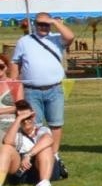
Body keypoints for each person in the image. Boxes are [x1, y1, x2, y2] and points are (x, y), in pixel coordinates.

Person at [12, 10, 74, 154]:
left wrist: (53, 21)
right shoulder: (24, 41)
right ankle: (37, 152)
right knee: (33, 124)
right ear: (34, 24)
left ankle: (54, 154)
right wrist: (14, 83)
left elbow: (70, 36)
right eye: (40, 24)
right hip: (31, 90)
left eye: (46, 24)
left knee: (56, 124)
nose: (43, 27)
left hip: (54, 89)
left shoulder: (57, 39)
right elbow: (15, 62)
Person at [2, 100, 60, 186]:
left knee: (46, 149)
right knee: (6, 148)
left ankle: (44, 183)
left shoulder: (42, 129)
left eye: (29, 117)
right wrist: (18, 119)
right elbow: (7, 142)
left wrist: (28, 155)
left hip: (43, 167)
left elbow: (48, 139)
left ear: (33, 116)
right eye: (22, 119)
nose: (26, 121)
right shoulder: (16, 132)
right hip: (21, 170)